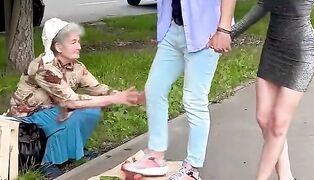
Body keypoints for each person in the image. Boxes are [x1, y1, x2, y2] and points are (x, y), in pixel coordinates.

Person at [7, 18, 139, 178]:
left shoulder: (77, 67)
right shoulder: (44, 68)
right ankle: (48, 162)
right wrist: (116, 99)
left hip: (54, 110)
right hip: (27, 118)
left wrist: (124, 95)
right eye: (74, 42)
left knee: (90, 111)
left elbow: (97, 88)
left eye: (79, 41)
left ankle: (75, 151)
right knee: (75, 111)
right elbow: (72, 100)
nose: (79, 46)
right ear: (58, 47)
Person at [123, 0, 236, 179]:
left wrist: (224, 29)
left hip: (206, 32)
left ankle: (192, 168)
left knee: (194, 100)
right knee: (154, 89)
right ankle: (156, 155)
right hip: (173, 29)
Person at [231, 0, 314, 179]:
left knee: (278, 123)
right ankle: (286, 176)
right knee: (263, 118)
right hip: (273, 49)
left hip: (301, 52)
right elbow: (263, 5)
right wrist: (229, 33)